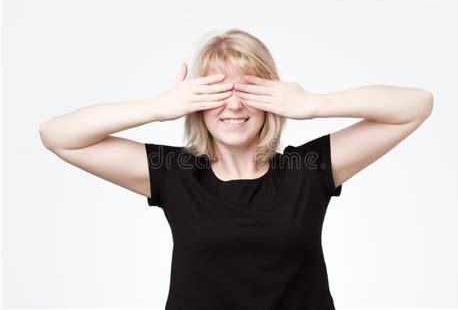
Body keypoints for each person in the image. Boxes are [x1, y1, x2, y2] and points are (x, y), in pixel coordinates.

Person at [39, 28, 434, 309]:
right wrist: (157, 108)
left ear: (269, 99)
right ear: (197, 101)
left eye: (247, 91)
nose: (233, 106)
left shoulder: (307, 168)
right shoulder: (174, 171)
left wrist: (313, 104)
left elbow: (416, 106)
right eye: (216, 92)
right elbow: (57, 135)